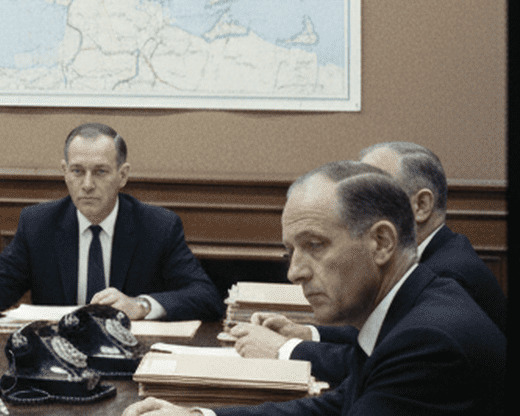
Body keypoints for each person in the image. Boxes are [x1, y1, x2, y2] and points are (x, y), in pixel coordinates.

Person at [125, 161, 504, 416]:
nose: (294, 273)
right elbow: (339, 404)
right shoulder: (409, 309)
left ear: (382, 243)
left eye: (315, 245)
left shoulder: (427, 343)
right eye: (290, 251)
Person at [227, 142, 506, 382]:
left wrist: (286, 348)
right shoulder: (427, 269)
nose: (295, 272)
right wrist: (309, 333)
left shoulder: (449, 277)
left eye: (379, 184)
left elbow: (389, 357)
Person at [0, 123, 220, 322]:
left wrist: (140, 305)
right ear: (64, 173)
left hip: (129, 356)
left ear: (122, 176)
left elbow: (206, 297)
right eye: (77, 171)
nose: (87, 185)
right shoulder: (38, 224)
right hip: (59, 359)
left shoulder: (158, 227)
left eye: (100, 172)